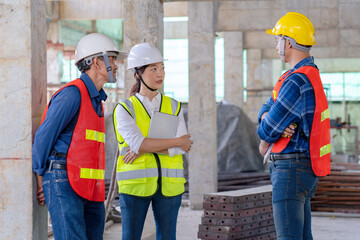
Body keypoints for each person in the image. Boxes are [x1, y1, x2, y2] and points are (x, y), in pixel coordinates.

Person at [32, 33, 128, 240]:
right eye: (111, 59)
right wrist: (41, 180)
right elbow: (43, 137)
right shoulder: (72, 95)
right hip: (64, 181)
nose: (116, 65)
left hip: (90, 187)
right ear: (96, 62)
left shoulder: (96, 99)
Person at [257, 12, 331, 239]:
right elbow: (265, 111)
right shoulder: (306, 74)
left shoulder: (296, 81)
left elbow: (267, 130)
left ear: (287, 42)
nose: (276, 45)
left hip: (291, 170)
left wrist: (267, 126)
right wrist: (267, 116)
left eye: (277, 39)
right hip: (303, 169)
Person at [113, 42, 193, 240]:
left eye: (162, 68)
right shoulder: (124, 109)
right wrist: (170, 142)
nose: (160, 74)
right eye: (153, 69)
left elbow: (183, 147)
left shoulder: (173, 106)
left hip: (169, 186)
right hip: (135, 186)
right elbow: (140, 143)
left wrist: (145, 148)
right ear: (138, 74)